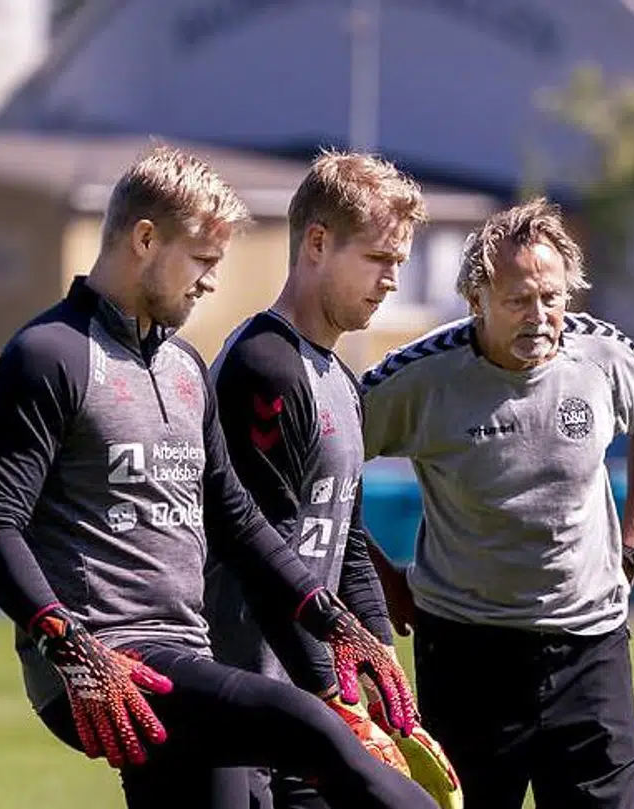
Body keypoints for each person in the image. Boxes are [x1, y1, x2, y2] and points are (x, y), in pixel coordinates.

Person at [0, 144, 439, 809]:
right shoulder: (48, 356)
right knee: (313, 730)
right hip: (105, 661)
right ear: (146, 239)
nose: (212, 282)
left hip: (185, 659)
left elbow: (239, 522)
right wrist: (68, 642)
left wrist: (335, 620)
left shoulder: (185, 367)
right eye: (204, 261)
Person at [359, 197, 634, 809]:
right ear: (476, 300)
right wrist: (381, 583)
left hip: (591, 647)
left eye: (552, 297)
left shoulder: (604, 355)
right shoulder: (417, 379)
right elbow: (324, 467)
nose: (540, 315)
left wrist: (633, 542)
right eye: (518, 300)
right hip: (466, 652)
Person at [206, 151, 459, 809]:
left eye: (399, 264)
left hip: (309, 699)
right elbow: (261, 556)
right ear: (317, 243)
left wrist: (379, 669)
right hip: (247, 702)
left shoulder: (341, 379)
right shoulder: (264, 367)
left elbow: (345, 541)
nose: (391, 281)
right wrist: (334, 700)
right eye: (378, 260)